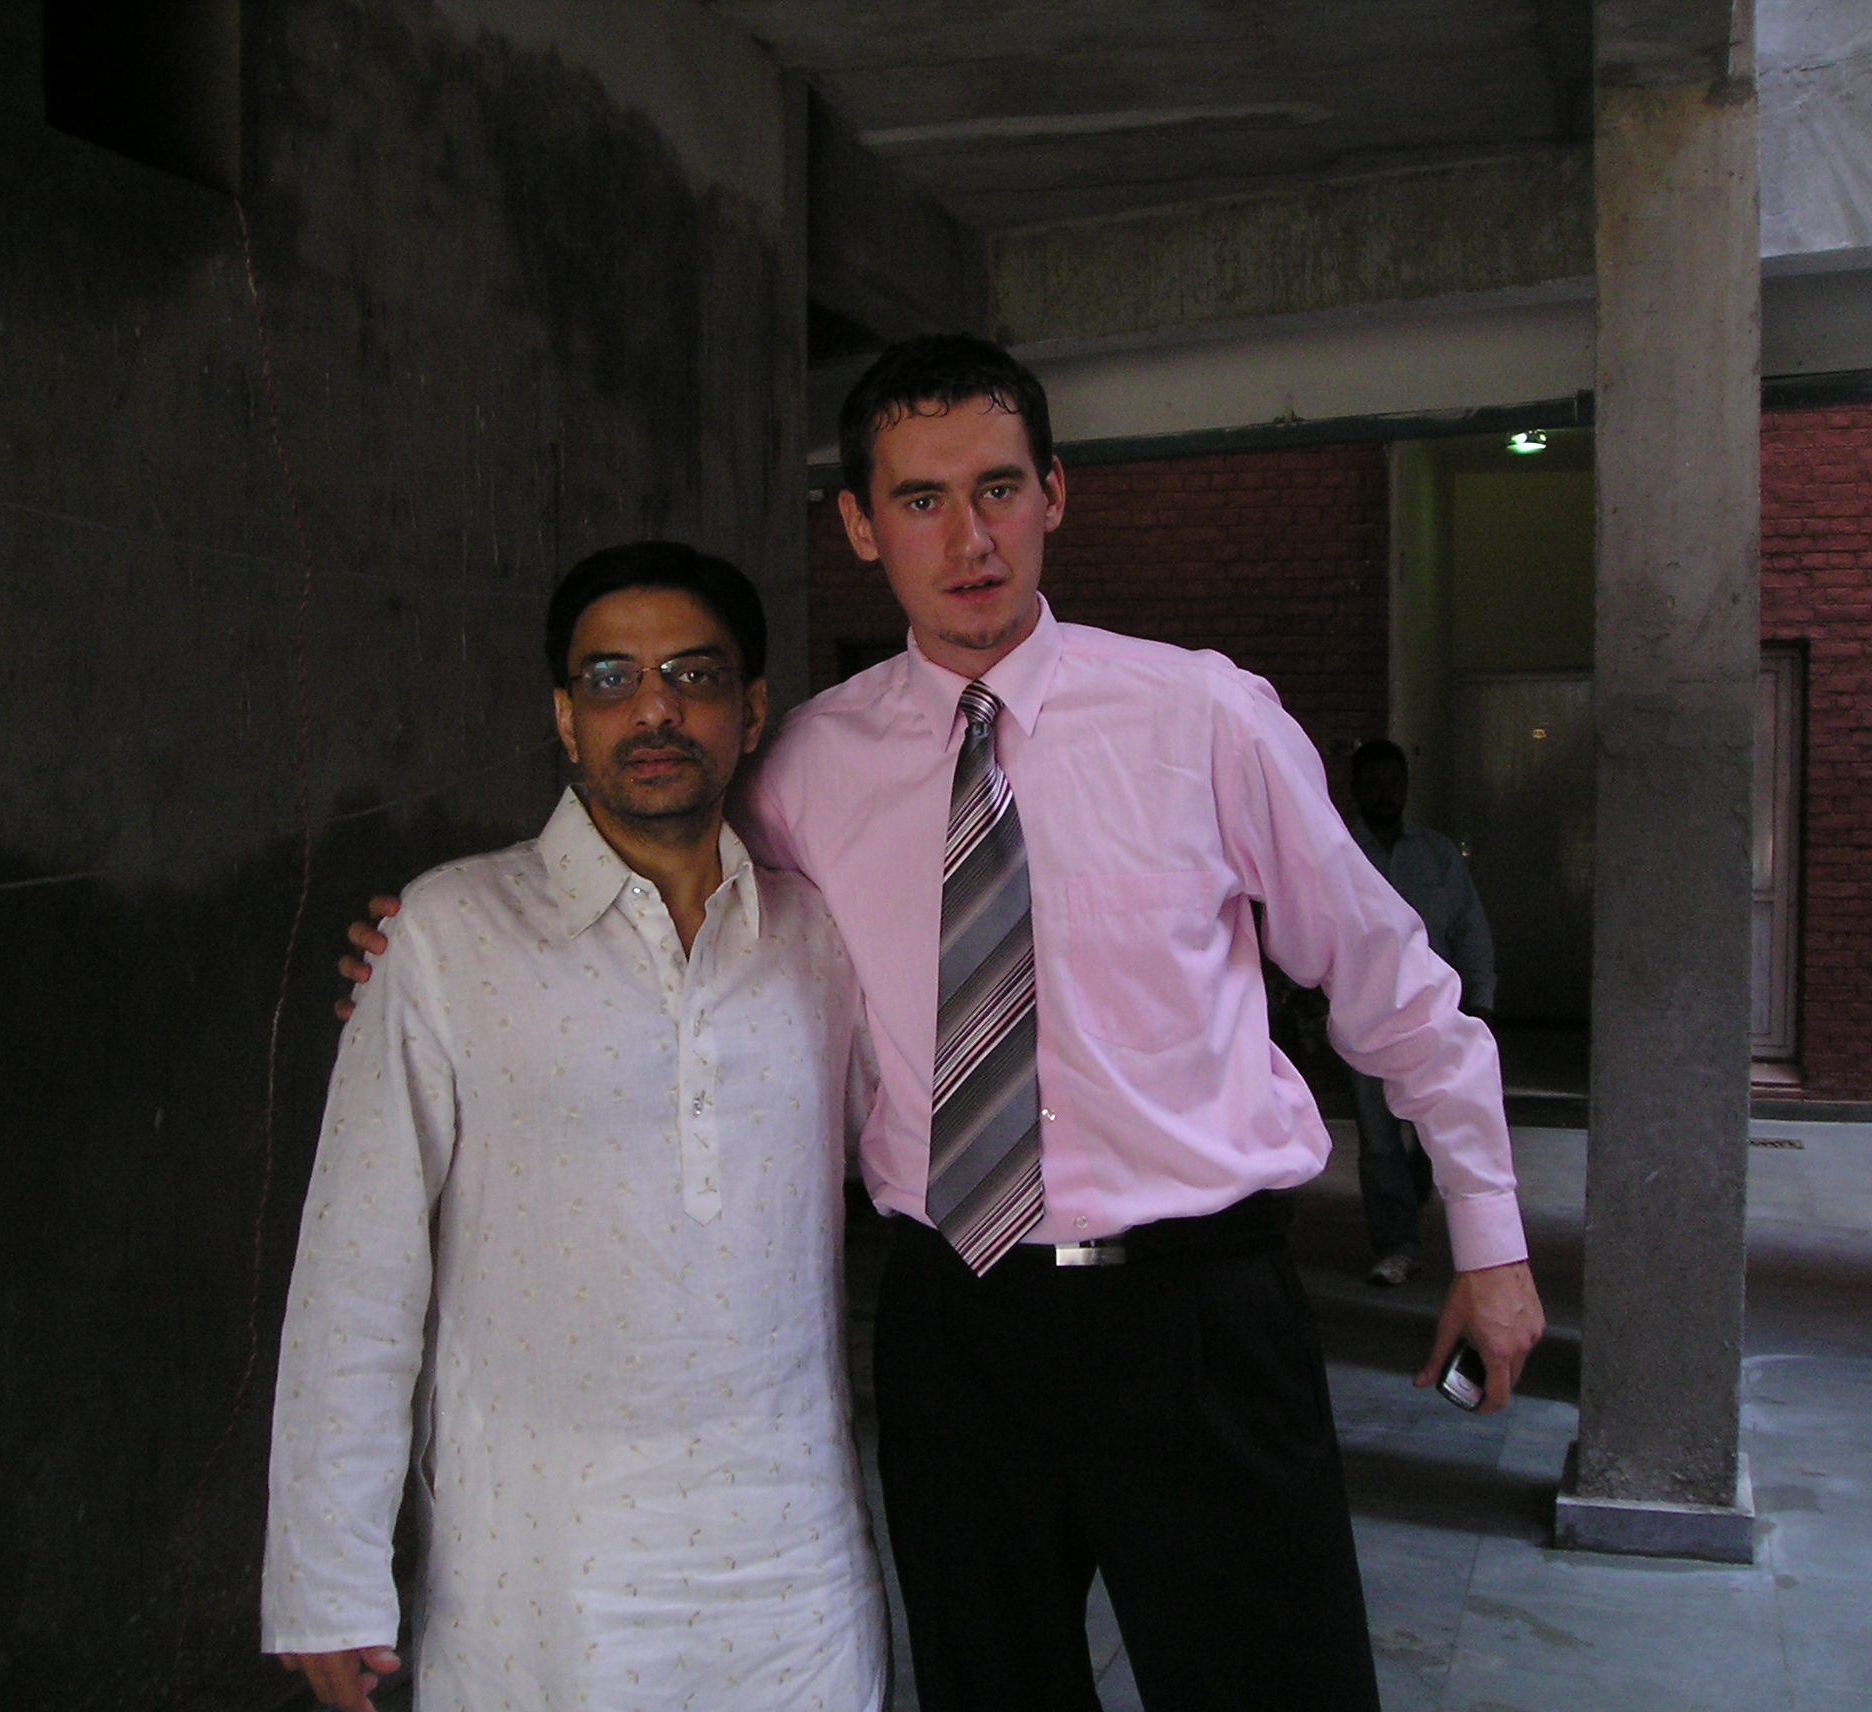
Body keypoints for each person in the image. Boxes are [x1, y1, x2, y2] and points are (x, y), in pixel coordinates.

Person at [345, 337, 1544, 1712]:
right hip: (954, 1325)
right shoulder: (801, 771)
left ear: (1054, 495)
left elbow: (1394, 984)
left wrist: (1491, 1239)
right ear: (861, 525)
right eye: (919, 500)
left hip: (1195, 1316)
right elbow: (656, 902)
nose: (967, 539)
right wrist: (445, 940)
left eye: (997, 489)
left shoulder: (1202, 717)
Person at [266, 543, 887, 1712]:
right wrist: (326, 1575)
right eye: (610, 678)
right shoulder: (447, 934)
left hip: (794, 1573)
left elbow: (906, 1146)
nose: (653, 709)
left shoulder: (818, 937)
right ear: (564, 716)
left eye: (694, 674)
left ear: (752, 711)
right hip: (541, 1581)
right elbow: (356, 1272)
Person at [1345, 738, 1499, 1288]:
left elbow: (1470, 928)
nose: (1385, 794)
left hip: (1436, 1014)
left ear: (1407, 787)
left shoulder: (1438, 856)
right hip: (1364, 1017)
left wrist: (1482, 1000)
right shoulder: (1338, 855)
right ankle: (1396, 1245)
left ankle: (1412, 1209)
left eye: (1395, 783)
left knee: (1438, 1128)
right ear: (1355, 790)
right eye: (1374, 784)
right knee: (1378, 1137)